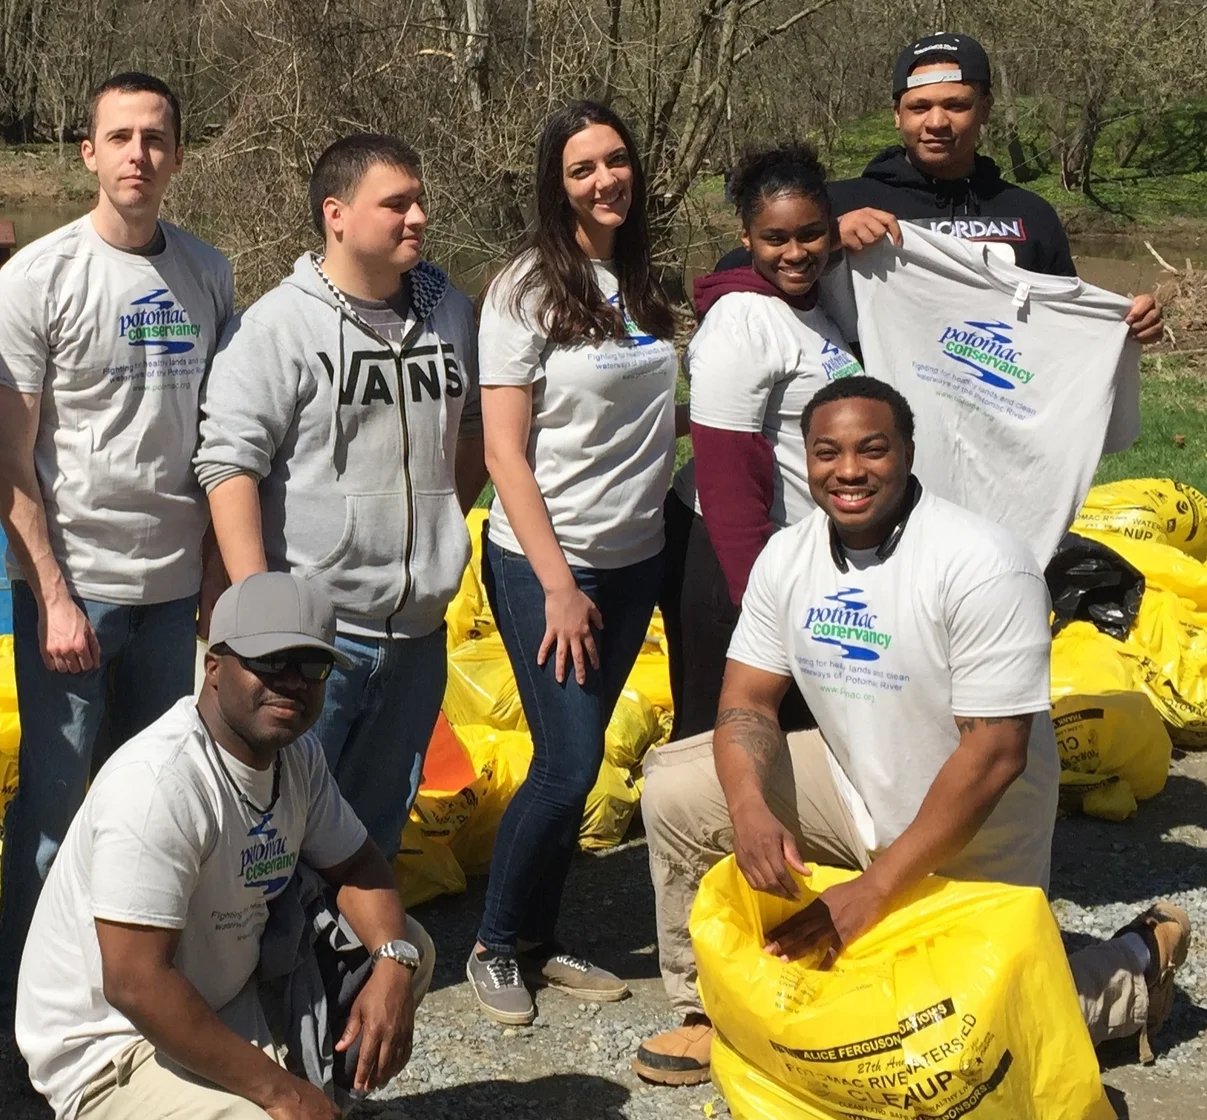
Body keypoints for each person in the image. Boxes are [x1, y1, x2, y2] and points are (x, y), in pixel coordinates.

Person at [633, 377, 1190, 1085]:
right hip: (853, 793)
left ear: (907, 452)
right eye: (826, 452)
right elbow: (745, 699)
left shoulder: (982, 562)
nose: (848, 470)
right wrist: (747, 810)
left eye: (872, 449)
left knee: (934, 1050)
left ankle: (1133, 965)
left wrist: (872, 893)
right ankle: (707, 1011)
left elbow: (993, 755)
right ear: (803, 460)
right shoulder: (790, 555)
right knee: (681, 789)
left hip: (974, 830)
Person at [7, 573, 435, 1120]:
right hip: (114, 1043)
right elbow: (135, 983)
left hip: (217, 994)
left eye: (311, 666)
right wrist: (282, 1096)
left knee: (408, 945)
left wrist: (393, 966)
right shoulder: (160, 784)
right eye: (269, 663)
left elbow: (359, 864)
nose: (292, 684)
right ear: (214, 663)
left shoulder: (295, 757)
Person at [0, 72, 235, 1041]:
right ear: (88, 152)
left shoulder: (208, 276)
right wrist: (51, 594)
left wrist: (217, 586)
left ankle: (129, 1004)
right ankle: (25, 1016)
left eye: (155, 137)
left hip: (171, 598)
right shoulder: (40, 278)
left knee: (148, 818)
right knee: (53, 812)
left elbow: (222, 445)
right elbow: (9, 460)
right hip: (74, 597)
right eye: (119, 137)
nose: (138, 153)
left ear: (177, 153)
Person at [194, 133, 486, 862]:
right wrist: (262, 611)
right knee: (273, 835)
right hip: (315, 639)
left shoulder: (449, 310)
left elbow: (476, 423)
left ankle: (349, 968)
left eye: (420, 201)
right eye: (396, 204)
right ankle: (265, 975)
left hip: (420, 634)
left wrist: (442, 525)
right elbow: (229, 466)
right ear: (337, 214)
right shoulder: (277, 327)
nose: (418, 216)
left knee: (371, 834)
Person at [469, 99, 681, 1025]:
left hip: (636, 557)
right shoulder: (525, 288)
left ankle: (542, 939)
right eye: (582, 169)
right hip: (545, 564)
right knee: (567, 762)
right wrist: (557, 583)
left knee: (582, 761)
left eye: (615, 161)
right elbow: (502, 451)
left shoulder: (640, 278)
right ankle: (493, 944)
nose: (605, 181)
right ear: (555, 186)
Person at [715, 32, 1162, 343]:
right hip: (872, 447)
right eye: (919, 106)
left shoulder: (1031, 216)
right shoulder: (838, 203)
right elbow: (725, 280)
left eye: (956, 105)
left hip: (992, 431)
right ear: (897, 114)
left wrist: (1127, 324)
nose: (936, 122)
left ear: (984, 108)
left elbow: (1068, 324)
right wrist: (828, 241)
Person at [662, 143, 862, 740]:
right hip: (729, 557)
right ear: (746, 237)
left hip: (800, 553)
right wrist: (756, 598)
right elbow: (726, 473)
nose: (796, 253)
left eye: (812, 234)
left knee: (793, 733)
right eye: (776, 238)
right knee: (722, 732)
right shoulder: (742, 321)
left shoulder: (813, 305)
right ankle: (697, 835)